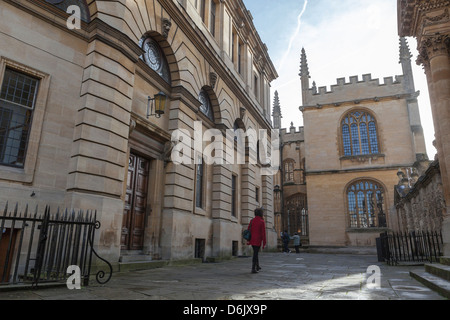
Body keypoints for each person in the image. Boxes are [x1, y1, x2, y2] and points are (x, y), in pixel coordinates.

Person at [247, 207, 266, 274]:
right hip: (258, 240)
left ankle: (257, 266)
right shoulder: (262, 221)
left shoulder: (252, 220)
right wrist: (264, 242)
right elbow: (263, 232)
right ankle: (253, 268)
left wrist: (248, 239)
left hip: (252, 239)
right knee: (255, 253)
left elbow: (248, 229)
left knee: (255, 252)